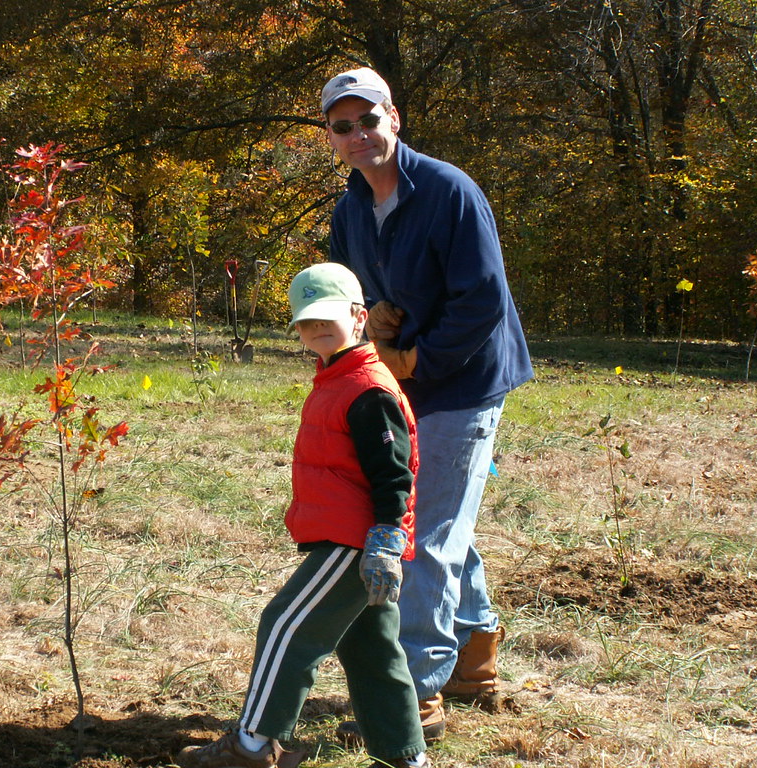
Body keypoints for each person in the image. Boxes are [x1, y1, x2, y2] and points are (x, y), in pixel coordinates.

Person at [320, 67, 534, 742]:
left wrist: (416, 359)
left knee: (423, 539)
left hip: (464, 382)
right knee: (440, 518)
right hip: (401, 389)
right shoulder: (351, 209)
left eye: (368, 120)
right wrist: (366, 325)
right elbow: (344, 288)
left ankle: (414, 695)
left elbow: (482, 301)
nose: (358, 136)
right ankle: (475, 659)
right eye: (342, 126)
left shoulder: (449, 192)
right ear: (332, 135)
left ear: (394, 118)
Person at [176, 263, 427, 768]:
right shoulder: (336, 376)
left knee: (286, 626)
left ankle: (251, 747)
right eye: (306, 323)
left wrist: (384, 538)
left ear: (359, 318)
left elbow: (393, 473)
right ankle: (406, 757)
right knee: (372, 650)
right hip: (344, 536)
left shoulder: (368, 389)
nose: (316, 330)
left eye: (327, 320)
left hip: (355, 541)